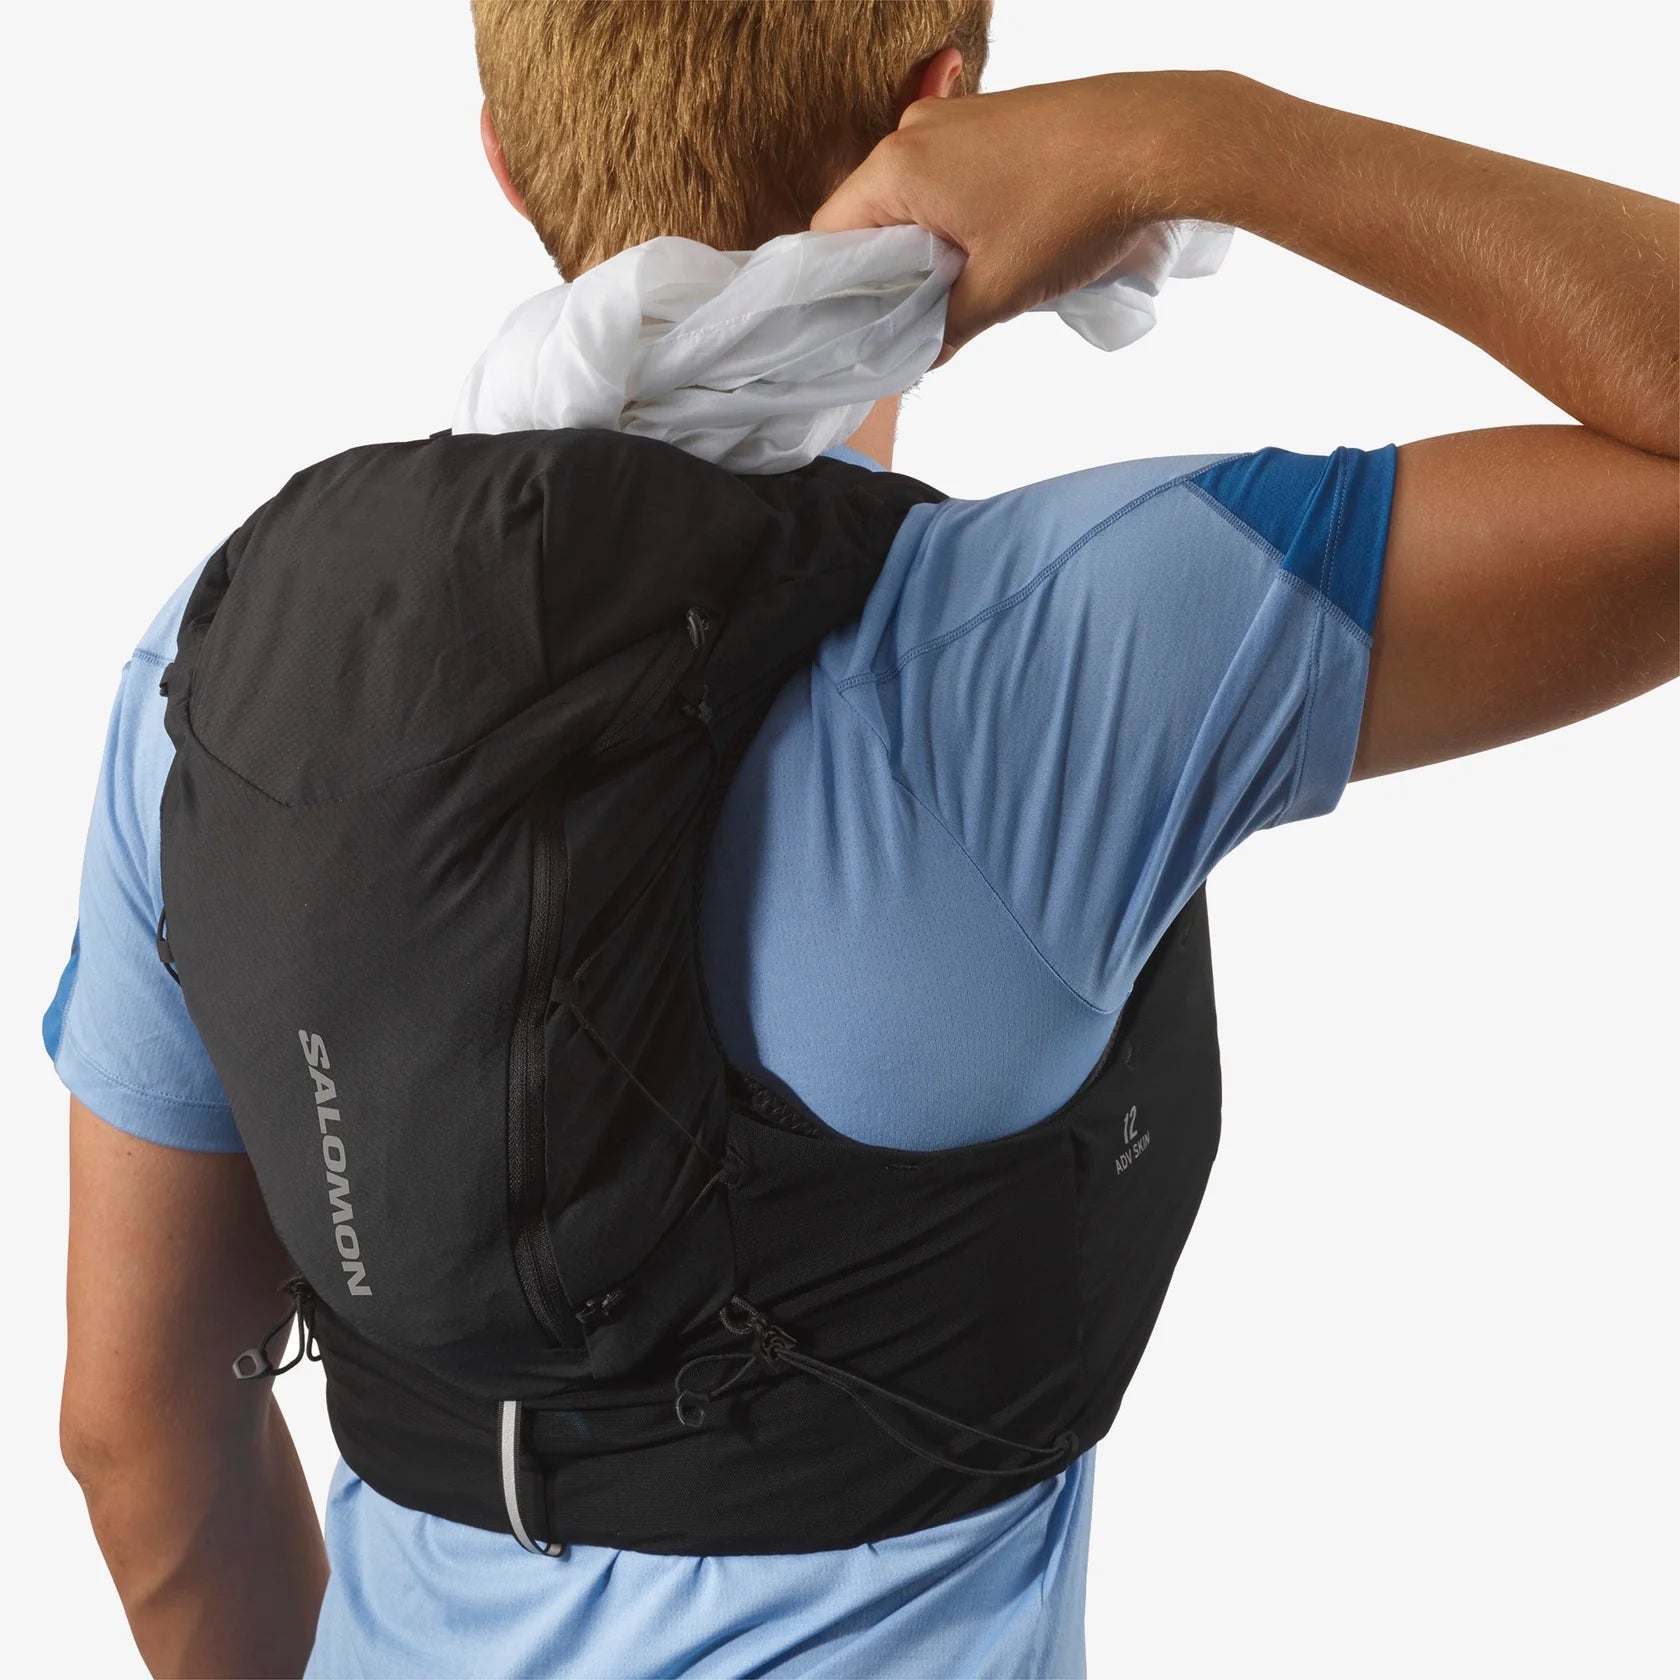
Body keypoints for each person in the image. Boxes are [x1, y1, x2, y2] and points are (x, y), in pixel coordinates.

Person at [49, 2, 1676, 1676]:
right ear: (947, 105)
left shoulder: (221, 669)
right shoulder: (1051, 660)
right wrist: (1205, 138)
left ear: (505, 155)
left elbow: (138, 1434)